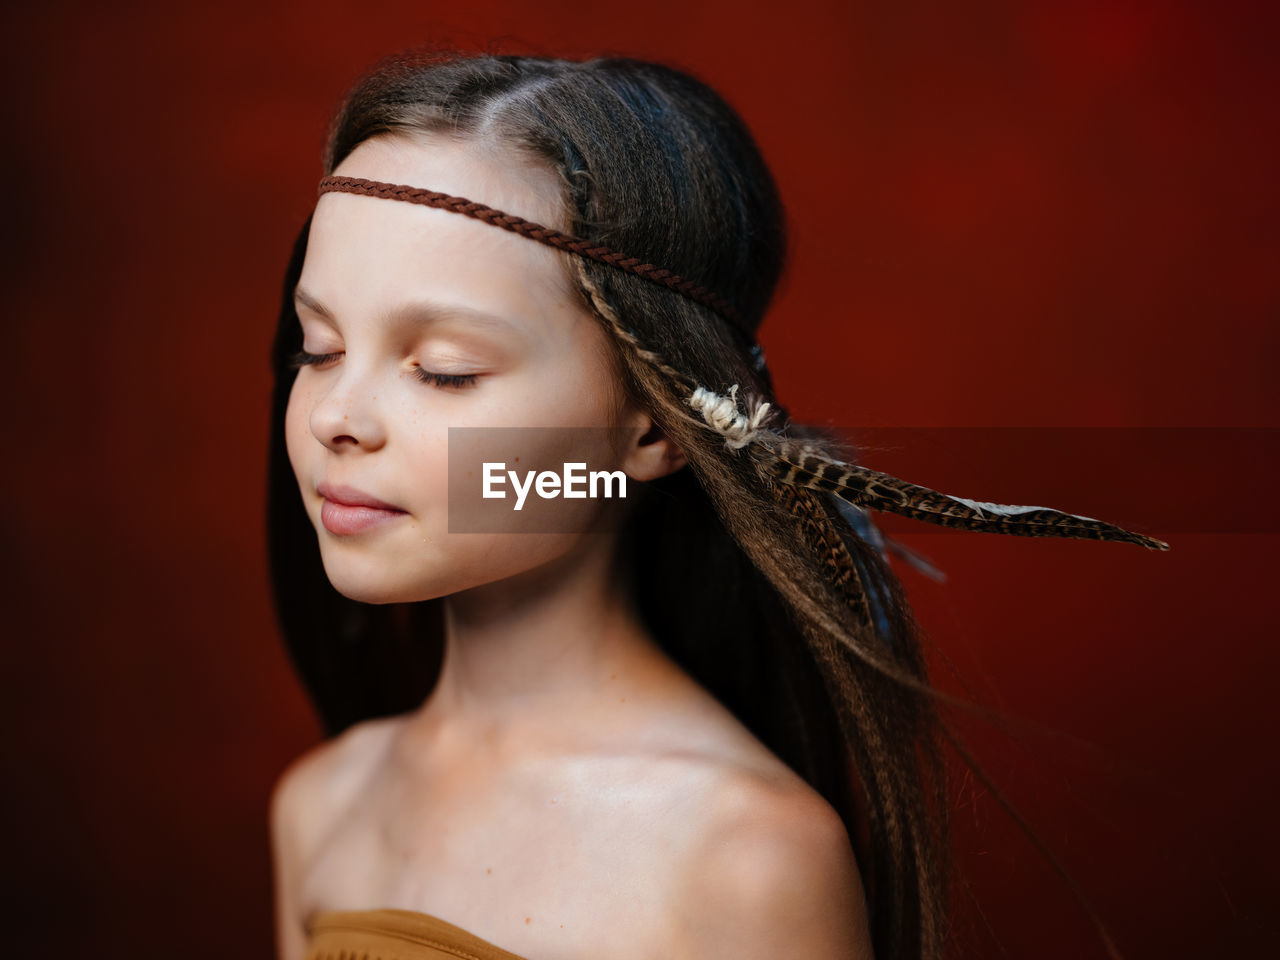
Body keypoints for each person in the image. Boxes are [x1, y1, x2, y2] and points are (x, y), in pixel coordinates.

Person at [265, 50, 1166, 960]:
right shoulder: (322, 808)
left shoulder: (746, 863)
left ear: (652, 427)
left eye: (444, 371)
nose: (340, 417)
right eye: (318, 348)